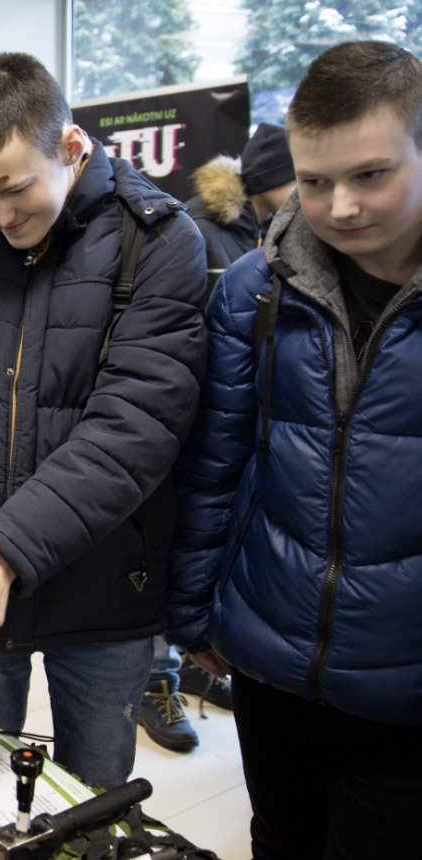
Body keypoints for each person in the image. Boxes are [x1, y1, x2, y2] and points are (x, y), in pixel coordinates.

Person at [0, 53, 207, 789]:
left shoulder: (157, 240)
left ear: (71, 147)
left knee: (91, 799)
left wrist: (1, 556)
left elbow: (131, 432)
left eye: (15, 191)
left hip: (105, 587)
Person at [168, 41, 422, 856]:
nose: (340, 205)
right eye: (314, 182)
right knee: (278, 839)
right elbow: (218, 460)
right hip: (272, 655)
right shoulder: (254, 289)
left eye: (371, 175)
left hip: (402, 684)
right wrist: (195, 610)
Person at [137, 151, 260, 752]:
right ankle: (158, 677)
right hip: (183, 426)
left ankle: (190, 660)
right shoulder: (201, 237)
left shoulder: (260, 235)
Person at [240, 122, 297, 232]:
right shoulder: (207, 233)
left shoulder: (271, 231)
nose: (302, 194)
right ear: (269, 181)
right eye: (295, 182)